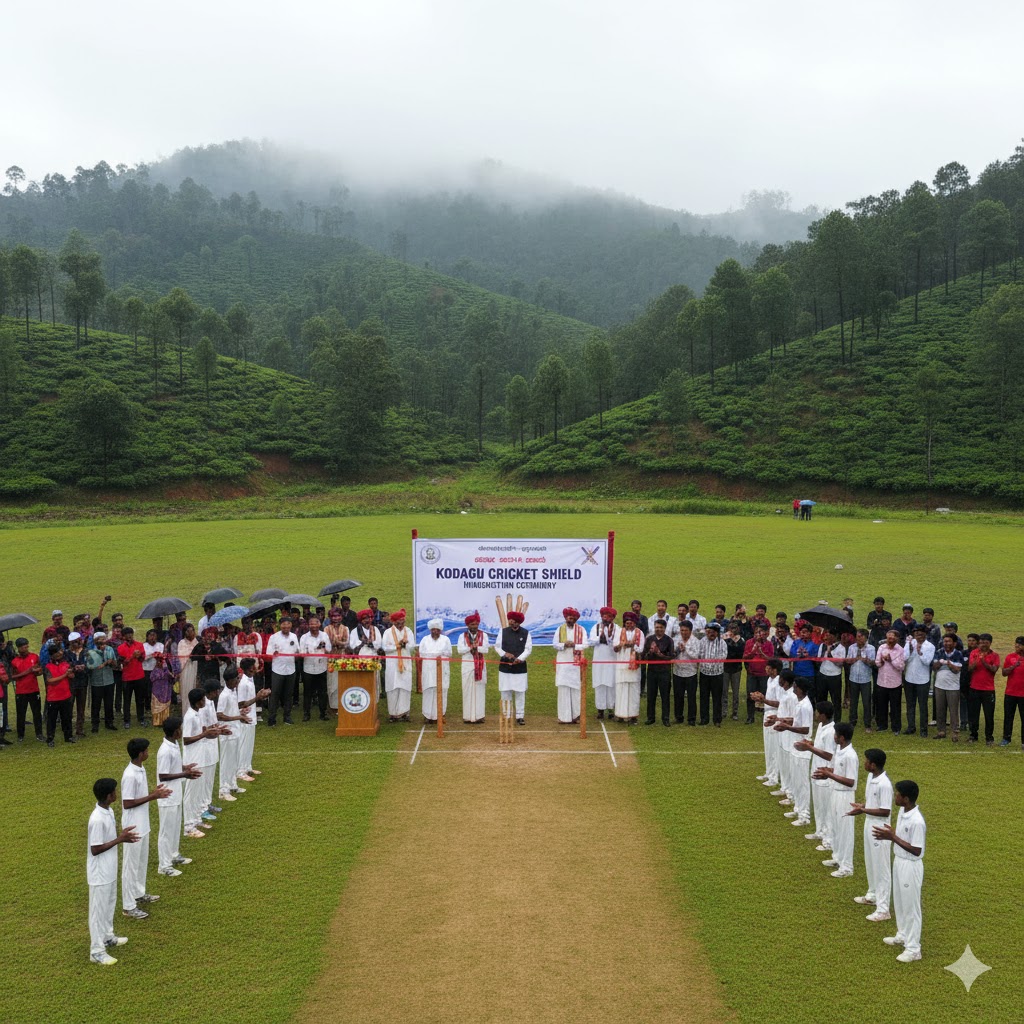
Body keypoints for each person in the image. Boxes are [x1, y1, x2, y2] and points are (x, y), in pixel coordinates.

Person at [874, 780, 926, 962]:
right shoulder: (903, 812)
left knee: (911, 906)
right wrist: (893, 834)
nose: (895, 796)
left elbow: (917, 850)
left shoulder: (917, 821)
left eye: (897, 794)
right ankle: (903, 935)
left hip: (910, 866)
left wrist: (892, 836)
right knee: (900, 902)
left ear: (906, 798)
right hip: (899, 861)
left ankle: (913, 949)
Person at [87, 778, 136, 964]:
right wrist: (120, 839)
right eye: (114, 791)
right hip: (99, 874)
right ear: (108, 796)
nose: (117, 794)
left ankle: (108, 937)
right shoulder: (97, 819)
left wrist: (121, 836)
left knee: (109, 904)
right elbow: (95, 849)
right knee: (98, 912)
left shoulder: (108, 811)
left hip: (109, 869)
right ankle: (96, 951)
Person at [120, 738, 170, 919]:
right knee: (130, 867)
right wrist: (153, 796)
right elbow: (127, 803)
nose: (149, 752)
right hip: (133, 827)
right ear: (141, 753)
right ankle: (128, 906)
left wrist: (153, 793)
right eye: (147, 750)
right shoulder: (130, 775)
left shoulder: (140, 769)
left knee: (141, 863)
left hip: (143, 824)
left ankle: (139, 894)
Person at [848, 748, 894, 923]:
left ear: (873, 765)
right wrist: (863, 806)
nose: (864, 763)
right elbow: (872, 803)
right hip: (869, 823)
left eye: (866, 761)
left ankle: (883, 909)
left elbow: (885, 810)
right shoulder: (871, 777)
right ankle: (872, 894)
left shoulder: (884, 784)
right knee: (870, 861)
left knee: (881, 868)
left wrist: (862, 810)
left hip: (880, 829)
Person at [155, 718, 201, 877]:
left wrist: (184, 768)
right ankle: (164, 865)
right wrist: (185, 774)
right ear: (175, 732)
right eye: (180, 729)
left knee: (175, 827)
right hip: (167, 795)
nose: (182, 731)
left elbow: (172, 767)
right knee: (166, 831)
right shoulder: (165, 750)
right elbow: (163, 775)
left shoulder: (173, 745)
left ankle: (174, 855)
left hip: (175, 793)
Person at [814, 722, 858, 878]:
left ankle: (847, 866)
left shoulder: (850, 755)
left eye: (836, 735)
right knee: (835, 827)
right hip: (835, 791)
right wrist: (827, 771)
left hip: (845, 796)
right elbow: (839, 771)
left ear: (842, 737)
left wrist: (829, 775)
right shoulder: (840, 750)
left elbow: (850, 781)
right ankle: (837, 857)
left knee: (845, 830)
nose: (834, 737)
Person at [181, 688, 222, 838]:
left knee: (198, 793)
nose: (205, 702)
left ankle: (196, 819)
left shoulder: (197, 714)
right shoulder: (190, 717)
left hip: (200, 756)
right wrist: (204, 734)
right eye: (203, 700)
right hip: (192, 759)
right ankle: (188, 826)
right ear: (198, 702)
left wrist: (211, 733)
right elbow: (186, 740)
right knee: (191, 794)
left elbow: (201, 734)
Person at [794, 700, 836, 850]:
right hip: (816, 769)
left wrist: (809, 748)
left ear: (824, 715)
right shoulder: (821, 726)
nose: (816, 715)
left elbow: (829, 755)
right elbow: (818, 746)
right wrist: (809, 743)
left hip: (825, 773)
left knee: (826, 808)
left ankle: (828, 839)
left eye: (818, 713)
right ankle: (820, 831)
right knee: (818, 805)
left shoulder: (831, 732)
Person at [777, 679, 813, 827]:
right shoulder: (800, 703)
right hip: (795, 746)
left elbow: (805, 729)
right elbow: (796, 721)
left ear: (801, 690)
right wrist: (782, 720)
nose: (793, 688)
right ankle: (798, 809)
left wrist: (787, 727)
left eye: (796, 687)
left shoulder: (805, 706)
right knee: (796, 781)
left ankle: (805, 815)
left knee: (802, 783)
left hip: (802, 748)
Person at [215, 667, 249, 801]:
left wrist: (241, 714)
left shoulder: (233, 692)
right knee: (226, 762)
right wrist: (237, 718)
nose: (238, 681)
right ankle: (223, 790)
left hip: (235, 731)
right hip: (227, 733)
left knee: (234, 760)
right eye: (236, 679)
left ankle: (232, 784)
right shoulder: (224, 695)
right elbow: (220, 715)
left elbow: (232, 711)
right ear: (229, 680)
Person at [494, 609, 531, 725]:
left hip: (520, 667)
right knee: (505, 691)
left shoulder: (526, 633)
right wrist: (505, 654)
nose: (511, 622)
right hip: (505, 666)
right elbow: (497, 647)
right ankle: (507, 715)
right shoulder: (503, 632)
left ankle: (520, 716)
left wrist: (519, 659)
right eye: (510, 620)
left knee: (520, 692)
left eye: (513, 621)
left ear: (518, 622)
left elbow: (528, 649)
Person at [236, 658, 270, 782]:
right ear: (248, 668)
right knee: (243, 745)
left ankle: (247, 767)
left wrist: (260, 695)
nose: (255, 668)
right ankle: (240, 771)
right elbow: (241, 703)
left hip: (251, 717)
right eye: (253, 666)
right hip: (245, 718)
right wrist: (258, 697)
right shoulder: (243, 683)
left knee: (249, 744)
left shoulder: (250, 680)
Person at [379, 609, 415, 722]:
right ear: (393, 622)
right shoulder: (387, 632)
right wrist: (397, 646)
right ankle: (393, 714)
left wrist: (405, 645)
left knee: (405, 687)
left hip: (406, 662)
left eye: (402, 621)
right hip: (392, 664)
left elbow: (412, 646)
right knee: (392, 687)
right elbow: (384, 648)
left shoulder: (408, 631)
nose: (401, 623)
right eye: (398, 621)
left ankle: (404, 713)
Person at [554, 607, 587, 724]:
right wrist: (564, 645)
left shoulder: (581, 630)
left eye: (572, 618)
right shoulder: (559, 629)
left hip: (576, 664)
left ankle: (576, 716)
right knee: (563, 688)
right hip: (563, 663)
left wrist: (574, 645)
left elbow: (585, 644)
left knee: (575, 688)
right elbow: (555, 644)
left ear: (575, 619)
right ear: (565, 618)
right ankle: (563, 717)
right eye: (569, 617)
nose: (570, 619)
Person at [265, 617, 299, 727]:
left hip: (290, 669)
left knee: (289, 695)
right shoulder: (274, 637)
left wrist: (298, 654)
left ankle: (287, 717)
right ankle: (272, 719)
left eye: (288, 624)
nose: (286, 626)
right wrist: (274, 652)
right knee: (275, 694)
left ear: (291, 625)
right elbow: (268, 653)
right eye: (284, 624)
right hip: (277, 670)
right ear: (280, 625)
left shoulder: (294, 636)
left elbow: (297, 651)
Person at [902, 625, 934, 737]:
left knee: (922, 705)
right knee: (910, 704)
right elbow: (905, 658)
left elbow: (927, 662)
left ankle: (923, 729)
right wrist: (910, 649)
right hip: (909, 678)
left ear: (925, 634)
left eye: (920, 633)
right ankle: (911, 727)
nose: (918, 635)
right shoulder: (910, 643)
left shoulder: (930, 646)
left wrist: (920, 652)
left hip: (923, 679)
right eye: (916, 633)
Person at [967, 632, 998, 745]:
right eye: (981, 643)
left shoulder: (995, 655)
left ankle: (989, 737)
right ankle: (973, 735)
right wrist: (977, 659)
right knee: (974, 714)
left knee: (989, 715)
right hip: (974, 688)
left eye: (985, 643)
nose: (983, 645)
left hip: (988, 690)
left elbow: (994, 669)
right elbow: (970, 668)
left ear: (990, 643)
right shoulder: (974, 653)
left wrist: (984, 661)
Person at [456, 612, 488, 724]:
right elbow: (459, 650)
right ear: (468, 625)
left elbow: (486, 649)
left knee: (480, 690)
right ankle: (467, 716)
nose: (474, 626)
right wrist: (470, 647)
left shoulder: (484, 635)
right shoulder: (462, 636)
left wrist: (477, 647)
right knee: (467, 690)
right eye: (472, 624)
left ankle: (479, 716)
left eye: (476, 624)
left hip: (480, 666)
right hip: (467, 666)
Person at [613, 611, 643, 724]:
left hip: (634, 667)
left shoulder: (640, 633)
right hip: (621, 665)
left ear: (634, 623)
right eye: (627, 623)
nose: (629, 625)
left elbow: (641, 649)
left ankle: (633, 716)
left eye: (631, 623)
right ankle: (621, 715)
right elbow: (614, 648)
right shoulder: (619, 632)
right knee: (621, 689)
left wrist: (633, 645)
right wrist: (621, 645)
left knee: (633, 690)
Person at [419, 619, 452, 723]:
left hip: (442, 669)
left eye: (437, 630)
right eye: (433, 630)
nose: (435, 632)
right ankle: (428, 715)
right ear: (430, 630)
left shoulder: (446, 639)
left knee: (442, 691)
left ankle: (440, 715)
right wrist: (438, 653)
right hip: (428, 670)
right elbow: (422, 653)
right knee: (429, 691)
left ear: (440, 630)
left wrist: (435, 654)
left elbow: (449, 653)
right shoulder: (425, 639)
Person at [11, 637, 44, 742]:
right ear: (19, 648)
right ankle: (20, 735)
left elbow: (40, 671)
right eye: (24, 647)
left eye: (27, 646)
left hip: (34, 689)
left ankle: (39, 734)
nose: (26, 649)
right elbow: (12, 677)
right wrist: (28, 671)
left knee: (37, 713)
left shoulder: (34, 657)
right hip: (21, 691)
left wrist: (37, 671)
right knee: (21, 714)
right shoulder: (14, 661)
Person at [932, 634, 964, 741]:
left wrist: (948, 663)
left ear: (954, 643)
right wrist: (940, 663)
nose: (946, 643)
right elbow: (934, 667)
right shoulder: (939, 652)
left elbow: (956, 670)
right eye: (945, 641)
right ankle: (941, 731)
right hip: (939, 685)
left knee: (953, 710)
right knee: (940, 709)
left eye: (949, 641)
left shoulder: (958, 654)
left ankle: (955, 732)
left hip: (953, 687)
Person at [643, 618, 674, 727]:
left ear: (664, 629)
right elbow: (643, 656)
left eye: (661, 627)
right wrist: (650, 652)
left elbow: (671, 657)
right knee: (651, 695)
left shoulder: (669, 640)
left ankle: (665, 718)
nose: (658, 629)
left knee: (665, 696)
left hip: (664, 672)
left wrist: (659, 654)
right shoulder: (649, 639)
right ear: (654, 628)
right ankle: (650, 718)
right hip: (652, 671)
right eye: (657, 627)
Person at [298, 616, 331, 722]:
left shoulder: (324, 635)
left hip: (321, 667)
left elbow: (329, 649)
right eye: (311, 624)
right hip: (308, 668)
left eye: (315, 623)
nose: (313, 626)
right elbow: (302, 653)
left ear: (319, 624)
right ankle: (306, 714)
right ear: (308, 625)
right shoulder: (304, 637)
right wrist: (312, 650)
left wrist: (322, 648)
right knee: (308, 692)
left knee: (322, 691)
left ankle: (323, 713)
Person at [588, 606, 618, 720]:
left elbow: (617, 643)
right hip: (599, 660)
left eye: (609, 616)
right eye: (604, 616)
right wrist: (600, 637)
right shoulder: (596, 627)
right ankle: (600, 710)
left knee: (611, 684)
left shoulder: (617, 628)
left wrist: (609, 637)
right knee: (599, 683)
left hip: (611, 660)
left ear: (612, 618)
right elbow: (590, 641)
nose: (606, 618)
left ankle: (611, 709)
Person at [43, 642, 75, 747]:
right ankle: (50, 738)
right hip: (53, 697)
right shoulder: (48, 666)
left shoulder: (66, 664)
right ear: (52, 655)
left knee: (66, 717)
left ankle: (68, 736)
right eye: (57, 653)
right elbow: (50, 681)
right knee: (51, 720)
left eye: (60, 652)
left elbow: (71, 676)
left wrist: (71, 674)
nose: (60, 654)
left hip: (66, 695)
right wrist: (65, 675)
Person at [874, 631, 906, 734]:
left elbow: (901, 667)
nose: (889, 641)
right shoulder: (882, 647)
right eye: (888, 638)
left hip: (895, 682)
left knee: (895, 706)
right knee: (881, 705)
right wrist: (882, 661)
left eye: (892, 639)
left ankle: (896, 728)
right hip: (882, 680)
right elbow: (877, 663)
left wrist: (891, 660)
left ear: (897, 639)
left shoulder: (901, 650)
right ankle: (882, 725)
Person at [697, 622, 727, 726]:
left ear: (717, 633)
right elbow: (699, 654)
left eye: (714, 632)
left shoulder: (722, 642)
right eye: (709, 631)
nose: (711, 634)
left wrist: (713, 661)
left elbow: (724, 656)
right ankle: (704, 719)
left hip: (717, 674)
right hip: (704, 673)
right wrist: (706, 661)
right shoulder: (702, 641)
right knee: (704, 697)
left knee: (717, 697)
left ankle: (717, 720)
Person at [117, 627, 148, 729]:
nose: (129, 636)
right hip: (127, 677)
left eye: (130, 633)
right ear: (123, 636)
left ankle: (141, 718)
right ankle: (126, 720)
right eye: (127, 634)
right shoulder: (120, 648)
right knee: (127, 700)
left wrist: (138, 656)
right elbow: (123, 663)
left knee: (140, 699)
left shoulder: (139, 645)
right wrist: (132, 656)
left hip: (139, 676)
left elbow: (142, 659)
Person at [743, 624, 773, 724]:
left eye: (760, 633)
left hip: (764, 674)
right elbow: (745, 657)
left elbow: (771, 659)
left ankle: (766, 716)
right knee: (750, 695)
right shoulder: (749, 642)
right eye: (756, 632)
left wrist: (761, 653)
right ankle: (750, 717)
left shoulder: (769, 644)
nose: (758, 635)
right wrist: (753, 651)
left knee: (765, 696)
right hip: (752, 674)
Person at [846, 630, 875, 732]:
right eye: (857, 637)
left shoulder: (871, 648)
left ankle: (867, 724)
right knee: (853, 702)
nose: (858, 639)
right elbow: (848, 660)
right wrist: (852, 659)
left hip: (865, 679)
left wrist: (866, 660)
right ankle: (852, 722)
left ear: (866, 638)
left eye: (860, 637)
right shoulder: (851, 647)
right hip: (853, 678)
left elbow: (873, 663)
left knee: (866, 702)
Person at [673, 620, 700, 725]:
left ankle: (691, 719)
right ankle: (679, 717)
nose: (683, 632)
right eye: (682, 630)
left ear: (690, 630)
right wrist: (677, 650)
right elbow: (672, 654)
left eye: (686, 630)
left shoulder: (696, 641)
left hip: (691, 673)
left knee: (691, 697)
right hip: (677, 672)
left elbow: (696, 656)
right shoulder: (676, 640)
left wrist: (686, 649)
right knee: (678, 696)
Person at [1000, 636, 1024, 748]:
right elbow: (1004, 672)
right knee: (1008, 716)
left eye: (1019, 645)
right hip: (1010, 692)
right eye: (1016, 644)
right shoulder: (1010, 657)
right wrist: (1014, 666)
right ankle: (1006, 738)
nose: (1016, 646)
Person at [325, 608, 350, 713]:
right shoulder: (327, 629)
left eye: (338, 616)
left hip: (343, 657)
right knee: (332, 682)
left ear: (341, 617)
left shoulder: (345, 628)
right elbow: (326, 643)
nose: (336, 618)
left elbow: (347, 643)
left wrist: (339, 643)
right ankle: (333, 706)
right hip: (331, 658)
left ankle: (343, 704)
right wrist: (335, 643)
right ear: (331, 617)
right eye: (334, 616)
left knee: (343, 681)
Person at [67, 632, 90, 738]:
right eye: (74, 642)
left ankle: (79, 729)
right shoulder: (67, 653)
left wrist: (84, 667)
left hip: (82, 682)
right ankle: (68, 729)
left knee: (81, 707)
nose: (77, 644)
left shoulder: (85, 652)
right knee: (69, 707)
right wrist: (73, 667)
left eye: (78, 641)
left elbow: (91, 663)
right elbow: (65, 665)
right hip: (71, 683)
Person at [722, 621, 745, 721]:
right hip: (725, 668)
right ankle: (724, 711)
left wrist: (731, 642)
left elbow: (739, 652)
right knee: (724, 691)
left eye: (735, 628)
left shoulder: (741, 640)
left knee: (735, 692)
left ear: (738, 629)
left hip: (736, 669)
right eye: (731, 628)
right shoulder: (723, 639)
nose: (732, 630)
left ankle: (735, 712)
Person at [817, 629, 845, 711]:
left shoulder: (841, 648)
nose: (827, 636)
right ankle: (822, 716)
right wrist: (825, 651)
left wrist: (830, 654)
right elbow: (819, 660)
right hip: (822, 674)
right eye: (827, 634)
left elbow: (840, 664)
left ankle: (836, 719)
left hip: (834, 676)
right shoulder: (822, 646)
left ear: (835, 636)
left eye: (829, 635)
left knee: (836, 700)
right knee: (821, 698)